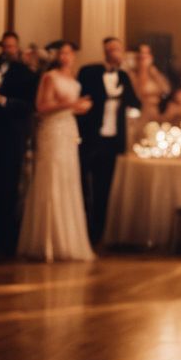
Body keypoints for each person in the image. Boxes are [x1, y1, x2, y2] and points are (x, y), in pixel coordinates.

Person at [17, 41, 95, 262]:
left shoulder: (73, 79)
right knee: (51, 179)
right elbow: (41, 107)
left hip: (69, 130)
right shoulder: (50, 77)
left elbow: (70, 106)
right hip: (52, 131)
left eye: (69, 53)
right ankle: (47, 241)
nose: (66, 56)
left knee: (68, 180)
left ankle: (68, 240)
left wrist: (79, 107)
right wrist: (70, 104)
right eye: (62, 53)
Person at [77, 37, 142, 246]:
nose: (115, 52)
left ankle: (97, 236)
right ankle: (81, 232)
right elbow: (80, 100)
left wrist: (129, 74)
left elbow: (135, 103)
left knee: (103, 190)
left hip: (112, 140)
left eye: (118, 49)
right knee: (83, 186)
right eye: (111, 49)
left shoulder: (123, 76)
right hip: (90, 138)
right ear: (105, 51)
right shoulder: (90, 72)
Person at [0, 32, 38, 259]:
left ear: (17, 48)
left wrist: (1, 100)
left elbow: (28, 106)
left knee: (8, 192)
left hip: (11, 139)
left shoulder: (24, 73)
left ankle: (4, 245)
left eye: (11, 46)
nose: (8, 50)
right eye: (5, 46)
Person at [129, 43, 171, 128]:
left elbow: (166, 89)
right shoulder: (133, 74)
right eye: (142, 53)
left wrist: (153, 72)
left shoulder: (154, 72)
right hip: (142, 112)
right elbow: (138, 92)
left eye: (147, 53)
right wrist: (143, 69)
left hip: (156, 112)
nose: (145, 56)